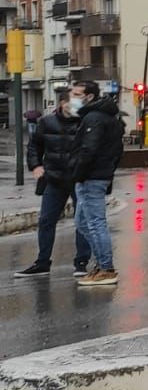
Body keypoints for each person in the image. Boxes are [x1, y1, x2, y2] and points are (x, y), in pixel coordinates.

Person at [14, 91, 87, 278]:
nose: (74, 108)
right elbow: (34, 146)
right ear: (61, 103)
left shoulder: (84, 122)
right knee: (46, 220)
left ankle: (81, 263)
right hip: (54, 178)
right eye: (71, 104)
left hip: (78, 179)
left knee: (82, 222)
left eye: (77, 104)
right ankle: (42, 262)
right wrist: (35, 165)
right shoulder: (46, 122)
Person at [66, 80, 124, 288]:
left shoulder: (94, 118)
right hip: (95, 176)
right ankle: (102, 264)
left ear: (89, 96)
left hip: (91, 177)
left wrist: (77, 172)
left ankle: (106, 268)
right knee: (82, 222)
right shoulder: (105, 117)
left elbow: (88, 150)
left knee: (95, 223)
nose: (72, 97)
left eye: (77, 94)